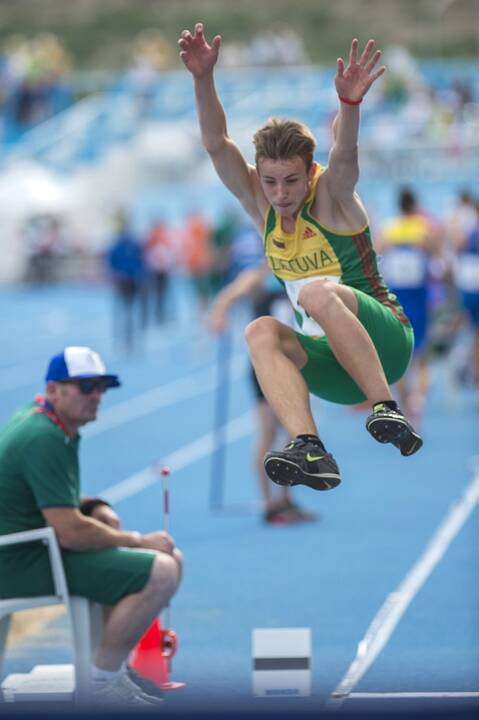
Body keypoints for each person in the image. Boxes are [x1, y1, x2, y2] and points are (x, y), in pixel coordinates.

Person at [179, 24, 423, 492]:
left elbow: (346, 154)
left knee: (315, 292)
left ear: (310, 172)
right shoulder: (261, 204)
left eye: (291, 181)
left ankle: (386, 407)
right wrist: (202, 79)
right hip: (331, 368)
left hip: (385, 344)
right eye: (270, 182)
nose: (280, 194)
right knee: (260, 330)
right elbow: (216, 144)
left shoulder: (332, 195)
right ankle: (309, 446)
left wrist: (350, 107)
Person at [0, 346, 182, 707]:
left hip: (30, 549)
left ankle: (107, 671)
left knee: (167, 557)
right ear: (54, 390)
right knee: (161, 569)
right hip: (22, 561)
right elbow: (70, 531)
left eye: (101, 386)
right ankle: (102, 685)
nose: (97, 395)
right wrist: (138, 540)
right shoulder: (45, 437)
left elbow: (47, 493)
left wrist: (94, 506)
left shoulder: (48, 421)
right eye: (86, 387)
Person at [210, 261, 316, 525]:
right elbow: (230, 294)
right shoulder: (258, 277)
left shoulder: (299, 273)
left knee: (295, 433)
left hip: (295, 364)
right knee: (268, 433)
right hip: (266, 367)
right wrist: (220, 312)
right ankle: (269, 504)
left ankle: (285, 498)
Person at [376, 187, 443, 425]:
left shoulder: (389, 229)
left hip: (397, 298)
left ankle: (405, 402)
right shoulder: (425, 229)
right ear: (415, 205)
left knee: (402, 353)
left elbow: (375, 259)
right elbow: (439, 261)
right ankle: (417, 398)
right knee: (422, 354)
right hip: (419, 296)